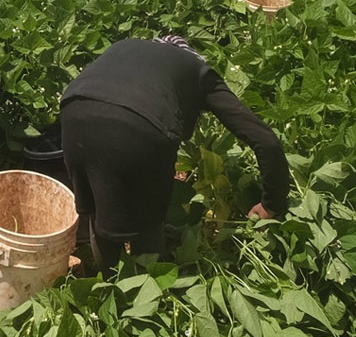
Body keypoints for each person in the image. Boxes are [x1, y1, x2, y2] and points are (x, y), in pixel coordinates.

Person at [60, 35, 291, 267]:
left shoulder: (126, 46)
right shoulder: (198, 71)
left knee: (98, 210)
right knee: (147, 223)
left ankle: (107, 290)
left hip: (74, 112)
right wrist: (272, 203)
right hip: (141, 125)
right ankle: (145, 289)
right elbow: (266, 141)